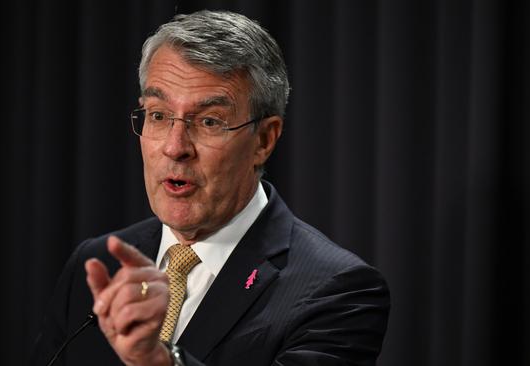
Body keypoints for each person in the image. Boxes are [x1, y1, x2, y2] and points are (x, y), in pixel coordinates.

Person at [30, 9, 390, 366]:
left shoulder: (338, 290)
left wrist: (160, 362)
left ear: (264, 139)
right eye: (158, 115)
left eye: (208, 121)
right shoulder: (96, 266)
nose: (175, 147)